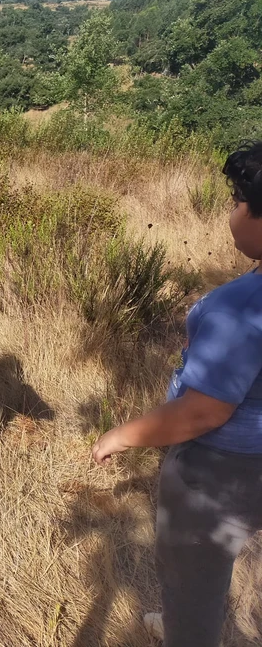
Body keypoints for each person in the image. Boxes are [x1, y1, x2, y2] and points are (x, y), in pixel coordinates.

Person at [92, 142, 262, 647]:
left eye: (238, 200)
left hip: (220, 467)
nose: (232, 212)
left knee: (194, 578)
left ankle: (186, 632)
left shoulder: (241, 308)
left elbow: (204, 411)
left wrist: (121, 436)